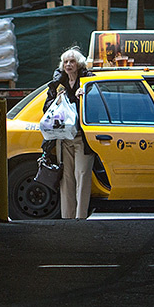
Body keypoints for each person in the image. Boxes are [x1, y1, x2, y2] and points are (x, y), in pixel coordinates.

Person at [43, 47, 95, 219]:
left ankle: (80, 218)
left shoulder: (87, 81)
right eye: (65, 62)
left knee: (82, 176)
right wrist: (57, 99)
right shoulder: (59, 83)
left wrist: (85, 95)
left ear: (79, 63)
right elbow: (47, 108)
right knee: (66, 180)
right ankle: (67, 218)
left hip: (82, 138)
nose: (68, 64)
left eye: (72, 61)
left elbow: (96, 108)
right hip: (64, 138)